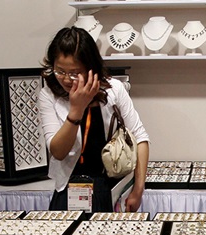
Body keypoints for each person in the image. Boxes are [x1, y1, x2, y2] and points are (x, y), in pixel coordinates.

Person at [38, 27, 149, 213]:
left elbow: (141, 138)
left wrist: (138, 189)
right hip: (68, 189)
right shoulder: (49, 95)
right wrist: (76, 110)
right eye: (59, 71)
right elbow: (58, 151)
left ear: (91, 68)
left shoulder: (114, 89)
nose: (66, 79)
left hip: (108, 188)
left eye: (74, 72)